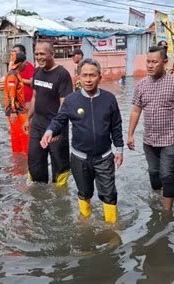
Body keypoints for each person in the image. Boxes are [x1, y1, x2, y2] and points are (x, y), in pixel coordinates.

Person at [40, 58, 124, 223]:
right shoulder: (71, 100)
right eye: (84, 75)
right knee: (84, 193)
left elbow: (116, 126)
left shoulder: (109, 99)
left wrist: (119, 150)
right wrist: (49, 131)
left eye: (92, 75)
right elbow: (59, 120)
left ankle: (112, 228)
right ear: (78, 77)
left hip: (105, 157)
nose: (88, 79)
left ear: (100, 77)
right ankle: (85, 223)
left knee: (109, 194)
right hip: (79, 158)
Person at [127, 46, 174, 211]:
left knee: (167, 174)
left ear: (165, 62)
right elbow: (136, 111)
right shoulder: (142, 85)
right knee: (153, 173)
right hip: (149, 140)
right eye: (148, 62)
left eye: (154, 62)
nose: (150, 66)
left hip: (171, 139)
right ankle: (156, 198)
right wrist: (130, 134)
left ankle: (167, 213)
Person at [24, 42, 73, 186]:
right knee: (35, 163)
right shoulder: (37, 71)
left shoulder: (62, 74)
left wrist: (56, 128)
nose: (39, 57)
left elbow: (65, 104)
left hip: (56, 129)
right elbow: (34, 97)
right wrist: (28, 118)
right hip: (37, 126)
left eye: (42, 54)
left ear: (52, 54)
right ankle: (40, 197)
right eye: (37, 54)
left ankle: (60, 200)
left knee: (60, 164)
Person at [4, 52, 29, 154]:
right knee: (24, 134)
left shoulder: (16, 74)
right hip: (17, 111)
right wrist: (13, 111)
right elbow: (11, 94)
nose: (26, 65)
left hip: (17, 110)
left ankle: (19, 162)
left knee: (17, 136)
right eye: (25, 63)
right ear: (20, 64)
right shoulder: (12, 76)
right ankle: (26, 158)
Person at [12, 43, 35, 110]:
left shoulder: (28, 65)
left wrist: (18, 79)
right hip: (17, 100)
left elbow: (32, 81)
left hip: (27, 100)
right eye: (12, 51)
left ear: (22, 53)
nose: (13, 53)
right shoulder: (13, 66)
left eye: (15, 51)